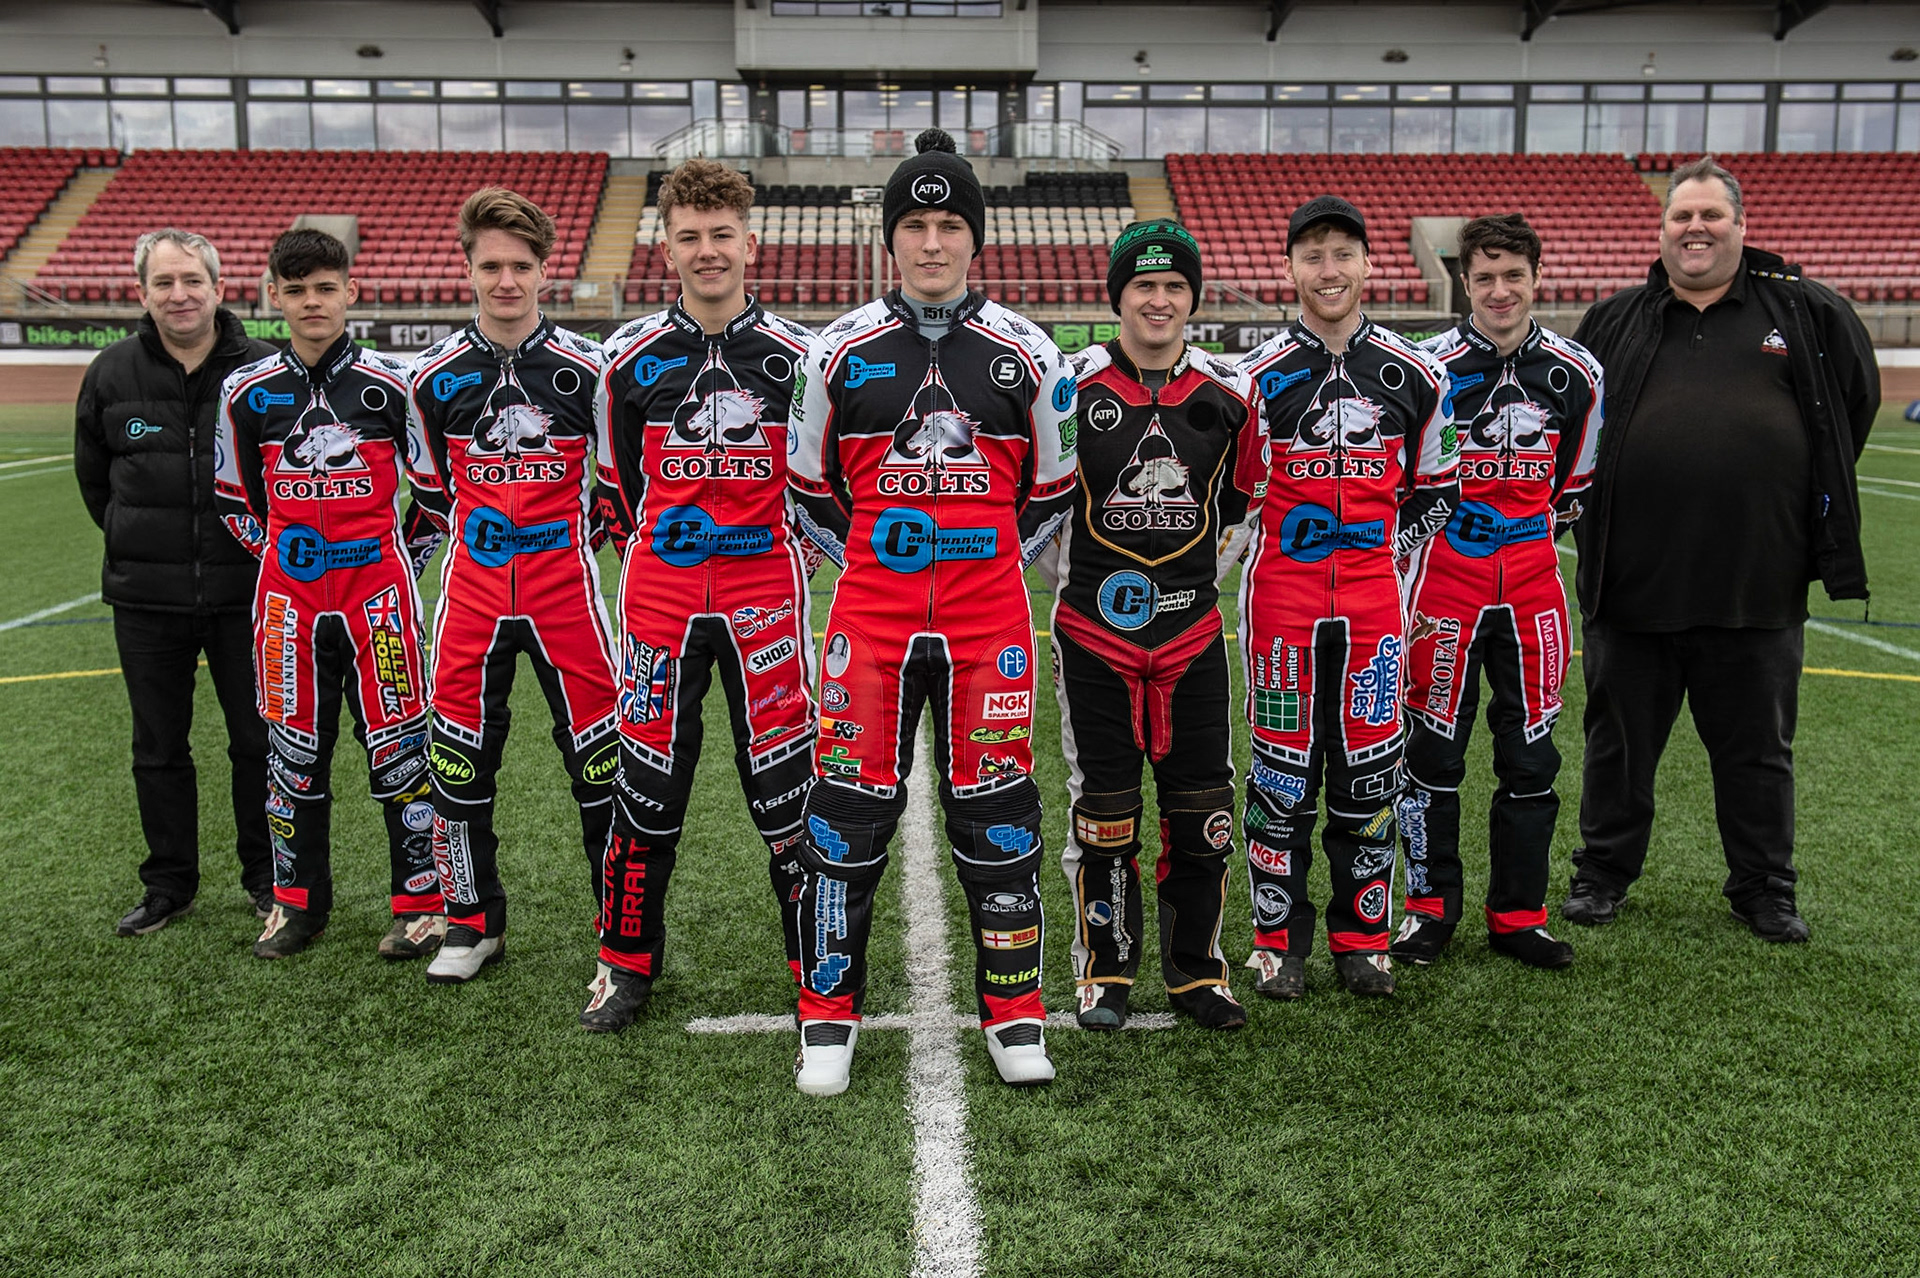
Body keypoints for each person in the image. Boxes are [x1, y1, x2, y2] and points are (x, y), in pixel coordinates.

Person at [787, 128, 1077, 1094]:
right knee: (844, 814)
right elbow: (805, 487)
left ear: (976, 238)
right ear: (891, 238)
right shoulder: (835, 352)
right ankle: (827, 1016)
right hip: (867, 623)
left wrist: (989, 560)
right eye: (915, 224)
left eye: (951, 223)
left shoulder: (1030, 354)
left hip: (988, 623)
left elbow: (1053, 487)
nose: (933, 242)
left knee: (997, 811)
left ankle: (1016, 1013)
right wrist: (869, 562)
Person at [1566, 155, 1878, 943]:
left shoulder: (1806, 313)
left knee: (1759, 757)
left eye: (1711, 215)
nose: (1695, 228)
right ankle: (1602, 875)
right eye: (1681, 215)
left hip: (1758, 588)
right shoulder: (1615, 318)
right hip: (1631, 587)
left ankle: (1765, 888)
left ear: (1742, 226)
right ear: (1661, 227)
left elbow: (1854, 404)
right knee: (1617, 749)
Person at [579, 159, 818, 1031]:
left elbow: (818, 486)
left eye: (723, 235)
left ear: (750, 243)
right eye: (691, 237)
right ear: (666, 247)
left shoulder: (801, 357)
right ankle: (625, 965)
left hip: (766, 604)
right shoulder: (625, 359)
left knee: (788, 789)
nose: (708, 251)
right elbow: (615, 491)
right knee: (645, 790)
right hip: (661, 603)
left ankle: (814, 966)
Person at [1037, 218, 1264, 1031]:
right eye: (1144, 287)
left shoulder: (1232, 392)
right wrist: (1082, 591)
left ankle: (1199, 971)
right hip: (1092, 638)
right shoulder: (1069, 384)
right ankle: (1105, 969)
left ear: (1193, 298)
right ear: (1119, 298)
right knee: (1102, 808)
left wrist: (1196, 586)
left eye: (1174, 287)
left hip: (1194, 637)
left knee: (1202, 808)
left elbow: (1241, 508)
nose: (1159, 300)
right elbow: (1042, 508)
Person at [1235, 196, 1457, 999]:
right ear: (1289, 269)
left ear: (1369, 266)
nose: (1328, 271)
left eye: (1343, 255)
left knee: (1370, 774)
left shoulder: (1418, 374)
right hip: (1281, 610)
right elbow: (1234, 494)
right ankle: (1277, 941)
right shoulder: (1253, 377)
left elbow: (1438, 489)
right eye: (1312, 256)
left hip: (1373, 611)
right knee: (1281, 777)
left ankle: (1362, 939)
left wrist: (1385, 554)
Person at [405, 188, 618, 985]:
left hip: (570, 597)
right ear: (468, 268)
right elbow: (430, 492)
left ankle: (615, 923)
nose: (505, 280)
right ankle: (471, 922)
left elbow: (617, 486)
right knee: (459, 765)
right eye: (490, 265)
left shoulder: (585, 372)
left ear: (544, 271)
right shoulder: (433, 379)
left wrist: (562, 541)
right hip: (472, 601)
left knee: (599, 764)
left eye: (520, 266)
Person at [214, 228, 445, 960]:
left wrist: (394, 560)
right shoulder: (245, 391)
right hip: (289, 606)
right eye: (296, 289)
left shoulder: (392, 383)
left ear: (349, 291)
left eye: (324, 288)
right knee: (291, 753)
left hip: (379, 600)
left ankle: (421, 904)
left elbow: (435, 497)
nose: (311, 302)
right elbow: (234, 501)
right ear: (273, 296)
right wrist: (287, 557)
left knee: (401, 748)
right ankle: (295, 905)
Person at [1390, 213, 1602, 971]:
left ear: (1536, 277)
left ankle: (1520, 916)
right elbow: (1410, 485)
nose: (1500, 290)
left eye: (1514, 275)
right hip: (1444, 591)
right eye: (1485, 277)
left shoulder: (1579, 372)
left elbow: (1573, 487)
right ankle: (1428, 913)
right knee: (1432, 758)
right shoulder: (1427, 365)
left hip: (1536, 592)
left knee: (1531, 760)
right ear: (1465, 282)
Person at [75, 228, 279, 937]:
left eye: (191, 280)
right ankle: (169, 885)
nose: (179, 294)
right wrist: (146, 544)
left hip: (247, 594)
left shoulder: (264, 368)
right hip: (145, 598)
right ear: (142, 293)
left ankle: (266, 879)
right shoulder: (110, 372)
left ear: (220, 288)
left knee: (256, 742)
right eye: (163, 283)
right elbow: (96, 483)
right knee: (158, 746)